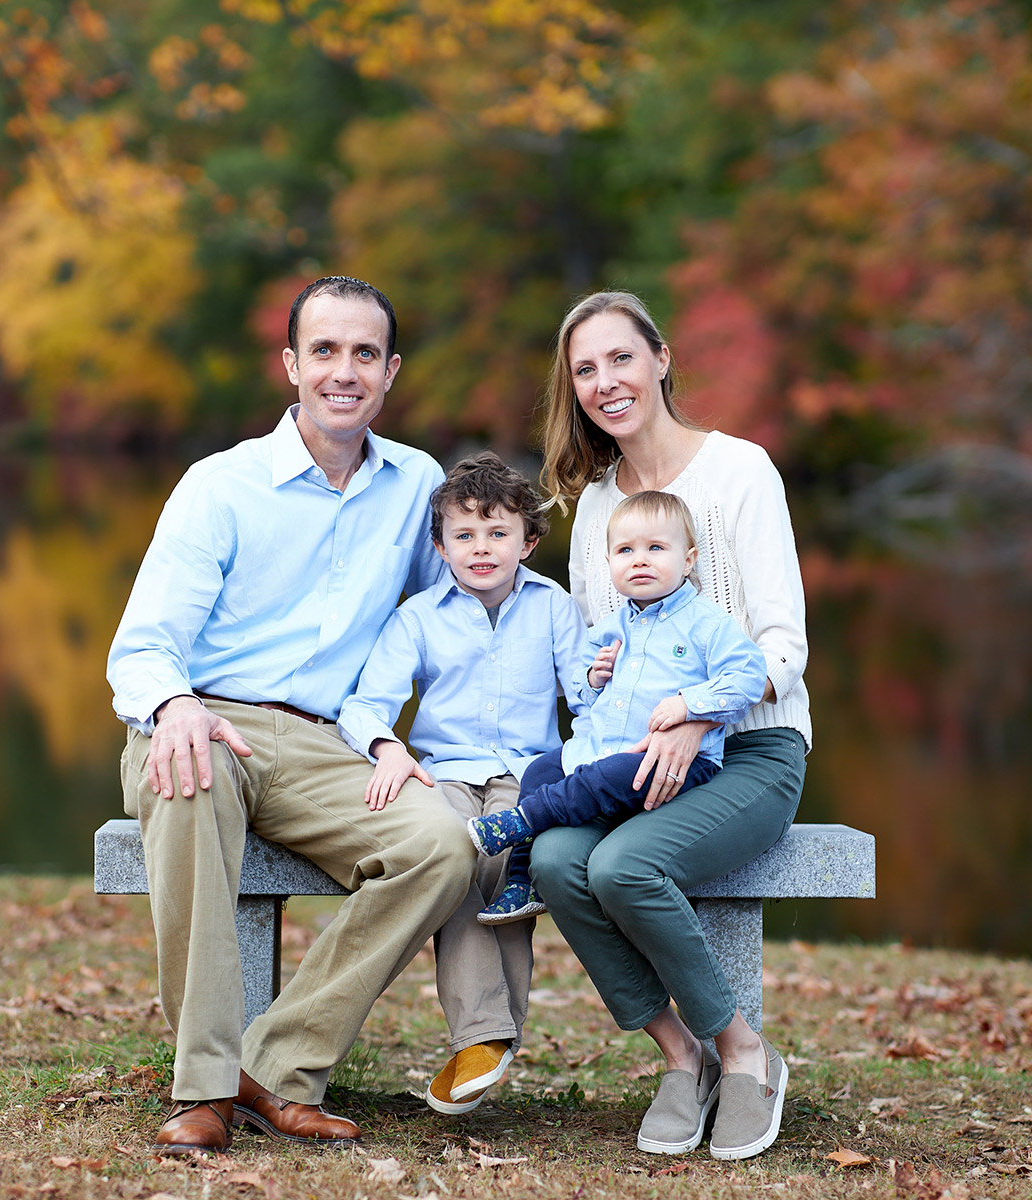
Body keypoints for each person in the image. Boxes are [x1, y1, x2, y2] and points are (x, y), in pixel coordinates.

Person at [106, 276, 477, 1156]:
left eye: (364, 354)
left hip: (327, 743)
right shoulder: (221, 485)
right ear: (291, 365)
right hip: (207, 722)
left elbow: (456, 616)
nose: (344, 372)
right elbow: (144, 644)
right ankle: (203, 1089)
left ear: (390, 372)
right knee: (189, 778)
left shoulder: (417, 486)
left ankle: (274, 1067)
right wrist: (174, 704)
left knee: (442, 843)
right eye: (324, 351)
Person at [529, 291, 813, 1161]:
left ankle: (745, 1053)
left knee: (625, 865)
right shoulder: (595, 508)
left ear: (661, 358)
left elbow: (785, 643)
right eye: (585, 369)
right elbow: (598, 659)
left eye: (621, 357)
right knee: (554, 860)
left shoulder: (740, 472)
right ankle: (680, 1055)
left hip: (754, 748)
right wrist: (596, 679)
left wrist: (698, 714)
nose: (606, 382)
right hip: (634, 755)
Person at [336, 451, 588, 1116]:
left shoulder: (554, 607)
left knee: (505, 860)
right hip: (442, 772)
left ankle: (482, 1038)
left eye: (498, 532)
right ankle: (488, 1036)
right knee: (447, 856)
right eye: (465, 534)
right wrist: (387, 747)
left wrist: (602, 693)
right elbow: (364, 706)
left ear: (527, 542)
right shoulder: (418, 617)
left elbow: (589, 700)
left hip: (528, 772)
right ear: (441, 546)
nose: (482, 548)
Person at [465, 490, 775, 918]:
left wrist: (689, 705)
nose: (640, 560)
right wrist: (593, 679)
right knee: (539, 770)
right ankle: (521, 881)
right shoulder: (609, 630)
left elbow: (749, 677)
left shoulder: (707, 625)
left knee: (606, 774)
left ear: (688, 560)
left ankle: (524, 820)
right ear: (609, 562)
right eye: (626, 551)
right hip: (603, 751)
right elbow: (582, 698)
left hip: (669, 762)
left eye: (656, 548)